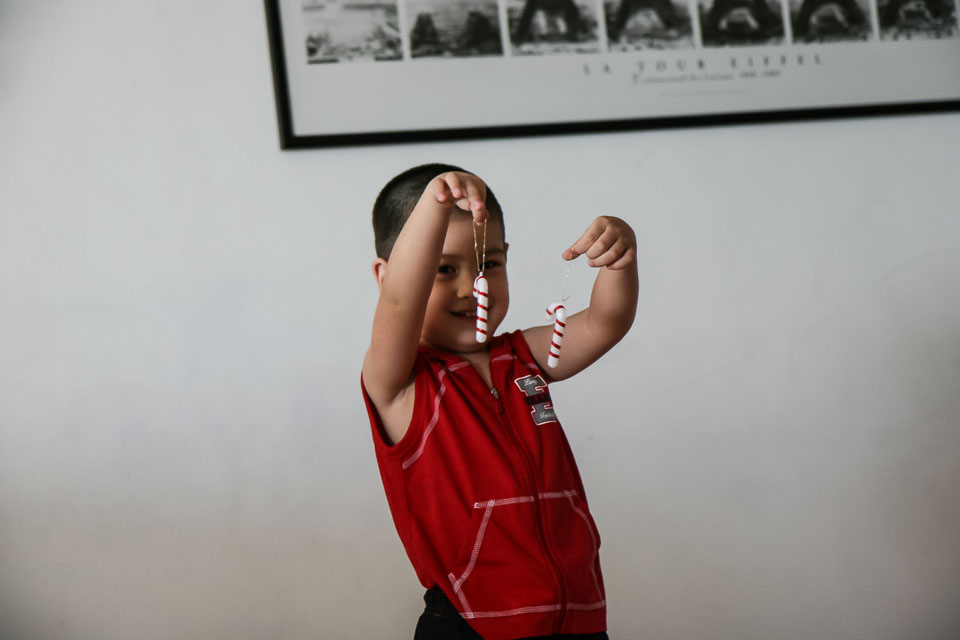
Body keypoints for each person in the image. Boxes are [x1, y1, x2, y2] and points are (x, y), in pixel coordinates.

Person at [361, 163, 638, 640]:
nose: (475, 287)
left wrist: (620, 259)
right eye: (443, 269)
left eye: (488, 264)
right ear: (387, 276)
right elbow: (402, 303)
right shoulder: (400, 383)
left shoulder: (526, 355)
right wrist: (434, 202)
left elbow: (605, 321)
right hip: (471, 625)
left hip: (577, 616)